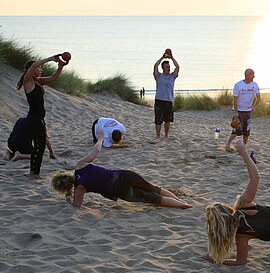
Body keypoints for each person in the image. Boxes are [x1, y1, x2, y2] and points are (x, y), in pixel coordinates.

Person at [51, 132, 192, 209]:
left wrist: (68, 195)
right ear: (66, 174)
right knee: (154, 188)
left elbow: (75, 206)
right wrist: (100, 139)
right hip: (124, 175)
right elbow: (95, 151)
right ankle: (181, 201)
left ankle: (183, 205)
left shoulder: (79, 188)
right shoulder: (80, 165)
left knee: (155, 199)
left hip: (120, 190)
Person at [16, 55, 66, 179]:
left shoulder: (38, 81)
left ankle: (32, 173)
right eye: (40, 67)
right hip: (33, 118)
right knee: (40, 145)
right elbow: (33, 65)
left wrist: (60, 67)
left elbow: (54, 77)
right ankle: (34, 174)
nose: (41, 69)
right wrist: (51, 58)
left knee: (39, 145)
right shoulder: (28, 81)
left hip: (39, 118)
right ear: (33, 70)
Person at [225, 69, 261, 149]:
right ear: (247, 75)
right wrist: (236, 112)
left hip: (247, 111)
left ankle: (244, 146)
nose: (253, 77)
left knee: (246, 131)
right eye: (252, 75)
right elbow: (235, 99)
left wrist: (254, 106)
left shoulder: (255, 85)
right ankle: (228, 143)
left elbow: (258, 98)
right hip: (239, 111)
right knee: (237, 129)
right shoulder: (238, 85)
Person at [153, 49, 180, 138]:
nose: (168, 68)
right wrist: (162, 57)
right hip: (159, 100)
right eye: (166, 67)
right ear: (163, 68)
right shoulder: (158, 76)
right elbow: (156, 65)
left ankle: (166, 136)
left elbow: (177, 67)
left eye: (169, 67)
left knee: (167, 120)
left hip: (168, 101)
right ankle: (157, 136)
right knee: (158, 120)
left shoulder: (172, 76)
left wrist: (172, 58)